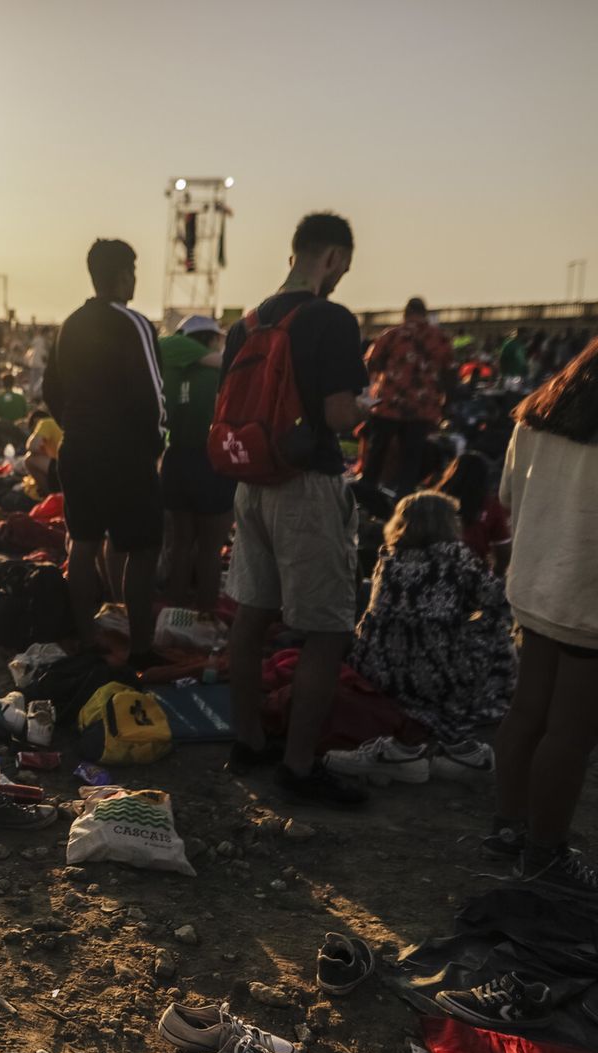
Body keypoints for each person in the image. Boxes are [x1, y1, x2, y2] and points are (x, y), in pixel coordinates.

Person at [222, 213, 370, 806]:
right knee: (328, 628)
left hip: (250, 480)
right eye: (343, 269)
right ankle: (300, 767)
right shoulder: (330, 318)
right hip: (305, 485)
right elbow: (338, 415)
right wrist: (371, 401)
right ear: (332, 257)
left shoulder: (248, 322)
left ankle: (247, 739)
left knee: (251, 614)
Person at [489, 338, 598, 897]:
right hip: (586, 598)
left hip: (534, 585)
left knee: (528, 709)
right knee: (571, 729)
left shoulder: (536, 416)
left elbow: (509, 495)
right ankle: (546, 850)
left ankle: (509, 827)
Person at [44, 239, 165, 668]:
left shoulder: (70, 325)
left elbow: (50, 389)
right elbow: (153, 394)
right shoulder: (133, 323)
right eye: (132, 271)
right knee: (143, 547)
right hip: (126, 453)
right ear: (120, 275)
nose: (135, 278)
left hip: (78, 448)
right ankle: (141, 647)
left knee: (83, 542)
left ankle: (87, 636)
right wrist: (154, 446)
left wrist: (77, 425)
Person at [341, 491, 514, 752]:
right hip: (434, 673)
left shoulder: (389, 556)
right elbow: (497, 600)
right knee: (498, 634)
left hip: (378, 666)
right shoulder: (455, 555)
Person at [158, 314, 234, 611]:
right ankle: (204, 618)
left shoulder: (171, 368)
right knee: (209, 551)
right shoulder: (222, 373)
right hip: (212, 464)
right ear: (212, 340)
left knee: (180, 546)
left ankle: (175, 614)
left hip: (176, 461)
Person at [360, 297, 452, 499]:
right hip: (422, 408)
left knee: (377, 454)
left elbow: (372, 363)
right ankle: (404, 502)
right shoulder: (439, 338)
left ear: (406, 313)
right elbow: (448, 372)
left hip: (388, 404)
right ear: (425, 314)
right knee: (410, 460)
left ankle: (366, 498)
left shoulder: (392, 335)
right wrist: (444, 403)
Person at [430, 451, 511, 572]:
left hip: (433, 568)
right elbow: (504, 552)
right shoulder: (491, 507)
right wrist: (495, 576)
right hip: (472, 574)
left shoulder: (433, 501)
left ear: (451, 473)